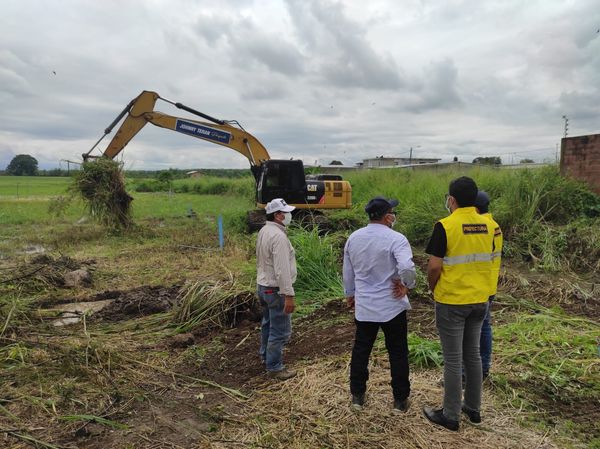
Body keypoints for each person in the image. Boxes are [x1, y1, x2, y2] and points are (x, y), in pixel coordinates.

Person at [422, 177, 496, 431]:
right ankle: (473, 408)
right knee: (473, 355)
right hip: (479, 300)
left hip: (452, 301)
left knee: (453, 360)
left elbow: (434, 266)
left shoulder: (445, 225)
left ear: (451, 199)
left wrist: (432, 288)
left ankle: (450, 415)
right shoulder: (489, 225)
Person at [343, 196, 417, 412]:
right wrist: (407, 285)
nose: (394, 216)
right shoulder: (397, 239)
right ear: (387, 217)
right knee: (398, 352)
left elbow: (348, 270)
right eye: (393, 213)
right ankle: (400, 400)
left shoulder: (354, 238)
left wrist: (350, 293)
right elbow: (406, 267)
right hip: (391, 305)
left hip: (365, 306)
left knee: (361, 350)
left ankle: (357, 396)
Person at [256, 198, 297, 380]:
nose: (289, 216)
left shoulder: (264, 230)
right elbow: (282, 270)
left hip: (263, 286)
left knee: (268, 324)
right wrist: (288, 294)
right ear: (278, 215)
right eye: (287, 213)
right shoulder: (278, 237)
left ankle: (266, 357)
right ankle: (274, 367)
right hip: (275, 289)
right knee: (280, 330)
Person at [474, 191, 503, 380]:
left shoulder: (481, 227)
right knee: (484, 326)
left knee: (475, 329)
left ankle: (472, 371)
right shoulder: (494, 225)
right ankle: (484, 367)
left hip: (479, 285)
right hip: (489, 284)